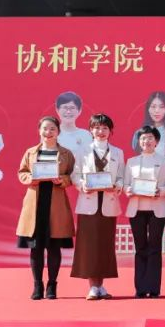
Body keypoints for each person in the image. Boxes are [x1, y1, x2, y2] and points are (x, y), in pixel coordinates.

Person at [16, 116, 76, 300]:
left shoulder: (66, 154)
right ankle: (37, 285)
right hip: (35, 204)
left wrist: (61, 180)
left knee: (54, 247)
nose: (48, 132)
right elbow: (22, 172)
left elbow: (72, 176)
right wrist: (31, 179)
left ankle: (52, 285)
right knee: (36, 248)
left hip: (55, 204)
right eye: (45, 129)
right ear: (39, 131)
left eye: (52, 129)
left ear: (58, 132)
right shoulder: (30, 152)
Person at [70, 113, 124, 300]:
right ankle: (93, 286)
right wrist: (82, 185)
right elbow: (75, 175)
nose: (101, 131)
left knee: (105, 245)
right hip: (88, 202)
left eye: (104, 128)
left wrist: (116, 186)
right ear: (91, 130)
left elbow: (121, 177)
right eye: (97, 128)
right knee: (89, 246)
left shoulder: (117, 152)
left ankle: (101, 286)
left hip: (108, 202)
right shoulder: (82, 151)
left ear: (110, 131)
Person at [124, 125, 165, 298]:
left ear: (157, 141)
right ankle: (140, 288)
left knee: (154, 248)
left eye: (151, 138)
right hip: (136, 208)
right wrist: (128, 190)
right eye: (143, 138)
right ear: (139, 141)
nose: (147, 141)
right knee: (140, 248)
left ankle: (153, 288)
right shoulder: (131, 162)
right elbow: (126, 184)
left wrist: (161, 191)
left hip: (157, 209)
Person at [131, 91, 165, 158]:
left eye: (162, 107)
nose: (157, 110)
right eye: (153, 106)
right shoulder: (138, 133)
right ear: (148, 109)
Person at [54, 91, 92, 161]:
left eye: (72, 108)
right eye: (65, 107)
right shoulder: (52, 134)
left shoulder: (86, 135)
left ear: (79, 111)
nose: (68, 112)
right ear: (57, 110)